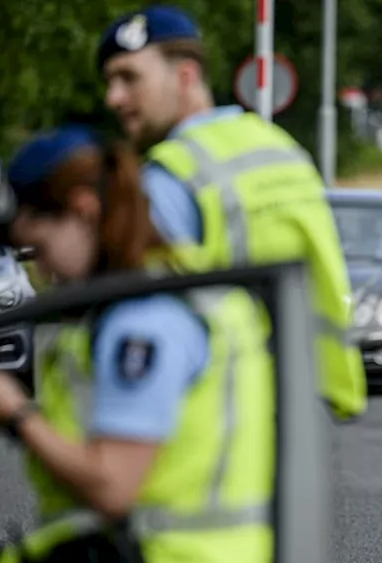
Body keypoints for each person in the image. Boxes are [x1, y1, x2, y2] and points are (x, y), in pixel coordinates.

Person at [0, 127, 276, 563]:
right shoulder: (185, 287)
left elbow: (114, 486)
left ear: (84, 211)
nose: (42, 273)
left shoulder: (141, 322)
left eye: (38, 250)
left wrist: (16, 415)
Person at [95, 5, 366, 422]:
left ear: (184, 77)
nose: (114, 98)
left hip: (216, 419)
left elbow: (142, 320)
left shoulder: (170, 176)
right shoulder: (280, 148)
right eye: (110, 81)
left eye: (129, 78)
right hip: (304, 409)